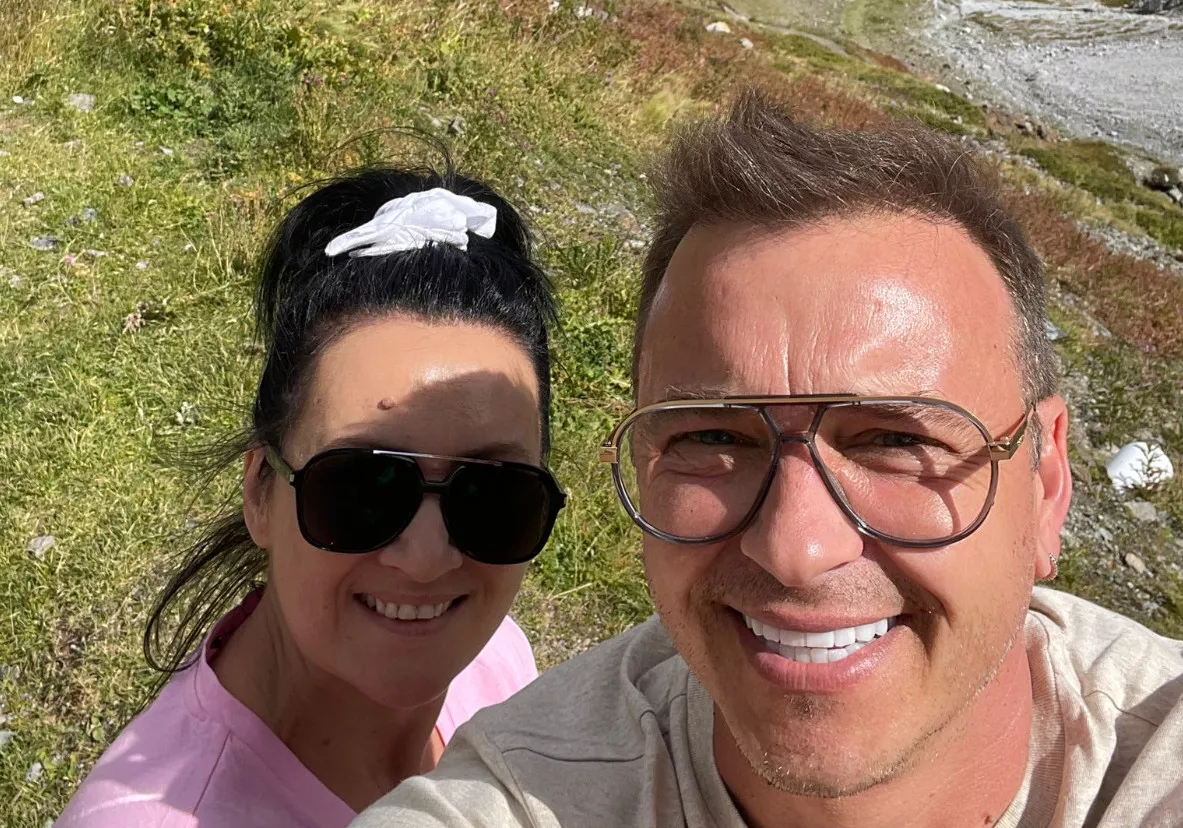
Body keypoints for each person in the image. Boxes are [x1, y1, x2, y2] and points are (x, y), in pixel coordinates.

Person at [353, 90, 1183, 828]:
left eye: (896, 439)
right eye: (712, 439)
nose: (795, 547)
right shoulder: (519, 794)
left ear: (1045, 485)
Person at [59, 163, 566, 827]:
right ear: (260, 491)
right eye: (361, 487)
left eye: (492, 493)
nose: (427, 558)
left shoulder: (496, 658)